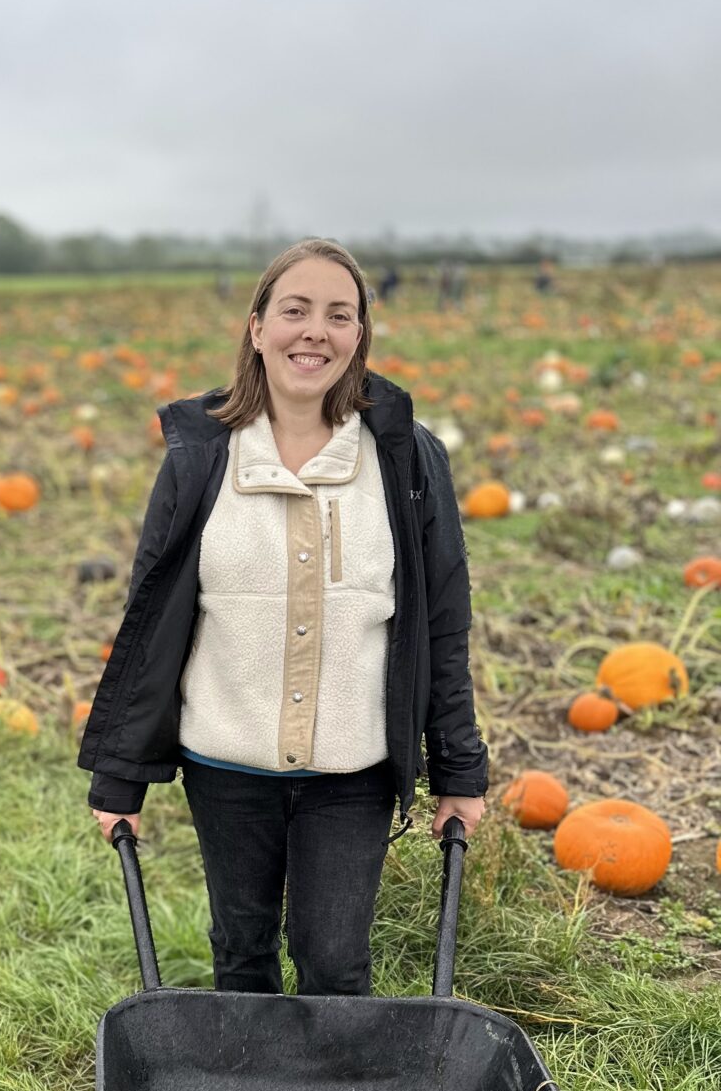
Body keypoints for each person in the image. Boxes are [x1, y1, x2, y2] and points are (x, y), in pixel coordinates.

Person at [78, 237, 488, 996]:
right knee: (241, 952)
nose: (315, 332)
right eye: (295, 311)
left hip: (352, 769)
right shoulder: (201, 459)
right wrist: (119, 779)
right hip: (225, 765)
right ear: (257, 326)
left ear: (359, 335)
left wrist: (458, 769)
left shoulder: (405, 460)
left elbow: (441, 622)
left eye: (339, 315)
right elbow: (152, 623)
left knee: (335, 961)